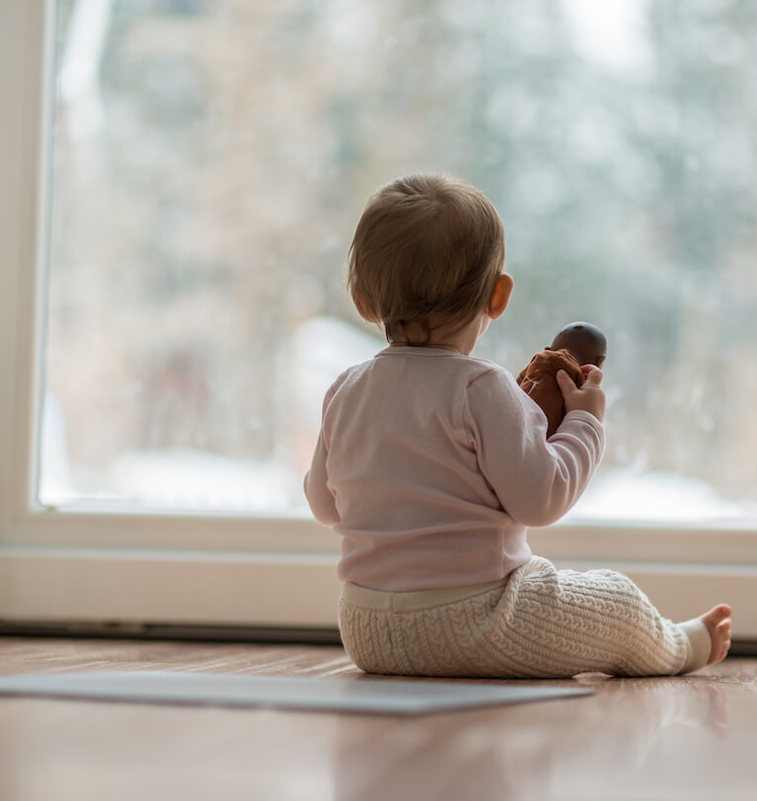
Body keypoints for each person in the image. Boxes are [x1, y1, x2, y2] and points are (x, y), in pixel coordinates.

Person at [304, 173, 732, 678]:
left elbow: (324, 503)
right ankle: (679, 645)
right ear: (498, 295)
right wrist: (584, 422)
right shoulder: (481, 387)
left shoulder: (346, 389)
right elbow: (541, 498)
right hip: (474, 621)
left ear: (362, 298)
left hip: (367, 629)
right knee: (616, 600)